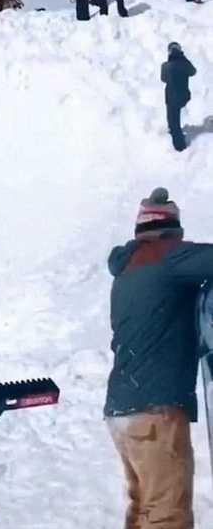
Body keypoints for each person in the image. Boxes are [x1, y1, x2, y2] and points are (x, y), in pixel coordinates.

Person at [105, 186, 213, 529]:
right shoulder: (165, 256)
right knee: (167, 514)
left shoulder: (129, 267)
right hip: (155, 407)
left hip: (125, 408)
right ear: (171, 232)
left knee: (144, 511)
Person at [161, 41, 196, 152]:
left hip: (171, 97)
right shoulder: (184, 64)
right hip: (183, 96)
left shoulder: (166, 66)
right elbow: (193, 71)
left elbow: (163, 79)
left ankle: (180, 148)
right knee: (174, 120)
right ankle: (178, 141)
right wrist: (183, 58)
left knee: (173, 122)